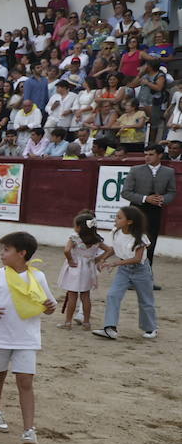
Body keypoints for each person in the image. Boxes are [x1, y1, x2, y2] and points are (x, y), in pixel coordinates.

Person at [0, 232, 56, 444]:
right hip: (0, 338)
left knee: (25, 382)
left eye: (6, 250)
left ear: (22, 253)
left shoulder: (38, 277)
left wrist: (49, 307)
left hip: (26, 339)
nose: (2, 254)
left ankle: (29, 429)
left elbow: (48, 307)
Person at [92, 206, 158, 341]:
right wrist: (103, 259)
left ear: (130, 221)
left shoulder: (140, 237)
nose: (115, 220)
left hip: (141, 270)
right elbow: (114, 249)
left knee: (145, 299)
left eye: (119, 217)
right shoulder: (116, 232)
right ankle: (110, 328)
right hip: (124, 270)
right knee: (112, 295)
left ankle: (150, 328)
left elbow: (137, 259)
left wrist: (114, 263)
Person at [121, 144, 175, 288]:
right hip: (136, 211)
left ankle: (146, 280)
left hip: (155, 212)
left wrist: (163, 199)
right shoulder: (135, 170)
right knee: (132, 244)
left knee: (149, 245)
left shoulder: (168, 172)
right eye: (146, 154)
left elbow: (171, 192)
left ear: (160, 155)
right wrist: (145, 198)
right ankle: (129, 279)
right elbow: (125, 192)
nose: (147, 157)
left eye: (151, 154)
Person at [56, 211, 104, 330]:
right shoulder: (96, 239)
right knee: (85, 296)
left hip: (75, 268)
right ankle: (87, 323)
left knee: (72, 295)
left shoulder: (74, 238)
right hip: (88, 268)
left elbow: (67, 250)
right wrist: (97, 259)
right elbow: (110, 250)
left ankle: (68, 323)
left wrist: (70, 260)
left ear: (79, 227)